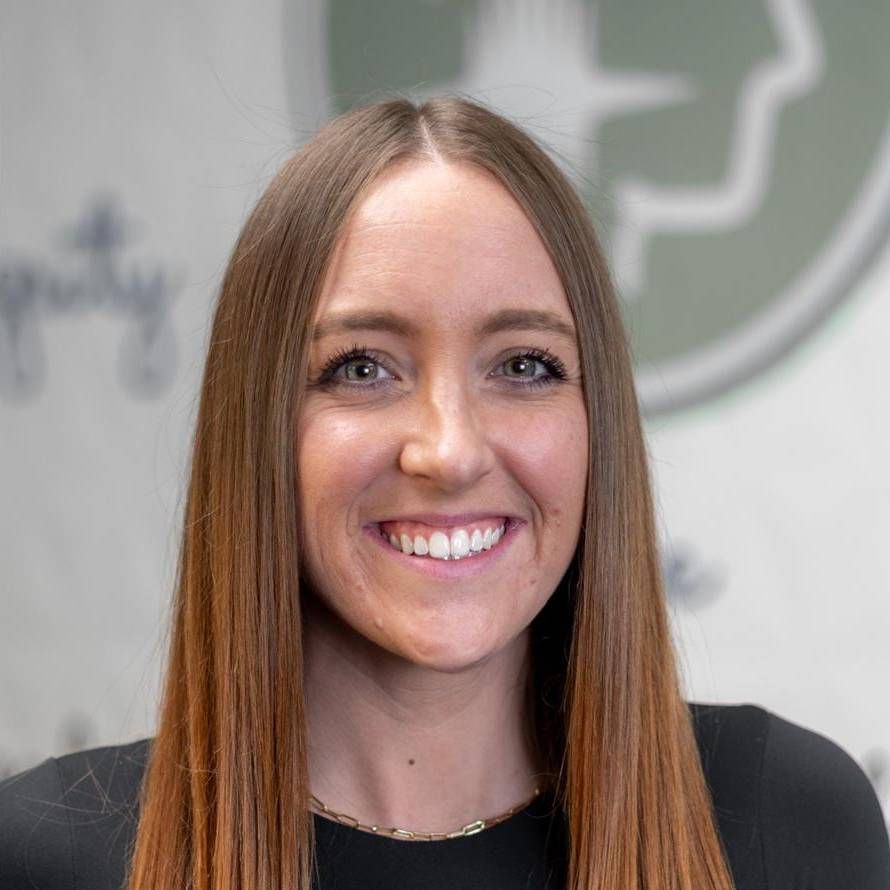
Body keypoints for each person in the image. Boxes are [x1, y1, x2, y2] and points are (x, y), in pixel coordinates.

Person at [1, 95, 888, 890]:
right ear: (259, 424)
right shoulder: (44, 855)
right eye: (360, 366)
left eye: (525, 366)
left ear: (597, 421)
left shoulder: (788, 824)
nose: (450, 450)